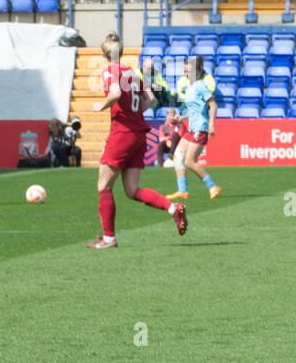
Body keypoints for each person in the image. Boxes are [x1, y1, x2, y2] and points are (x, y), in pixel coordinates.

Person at [88, 32, 187, 249]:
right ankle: (173, 209)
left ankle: (109, 239)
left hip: (122, 134)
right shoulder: (132, 74)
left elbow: (114, 93)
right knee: (132, 190)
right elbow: (151, 98)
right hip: (139, 134)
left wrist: (100, 106)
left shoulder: (110, 71)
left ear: (105, 54)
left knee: (104, 186)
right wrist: (135, 114)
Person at [168, 56, 221, 201]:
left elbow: (213, 105)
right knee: (178, 155)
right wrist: (181, 117)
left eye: (189, 70)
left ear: (197, 71)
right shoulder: (189, 88)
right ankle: (183, 191)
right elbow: (194, 109)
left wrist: (211, 125)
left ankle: (213, 186)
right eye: (185, 70)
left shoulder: (200, 85)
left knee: (189, 161)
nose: (186, 73)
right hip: (192, 128)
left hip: (200, 128)